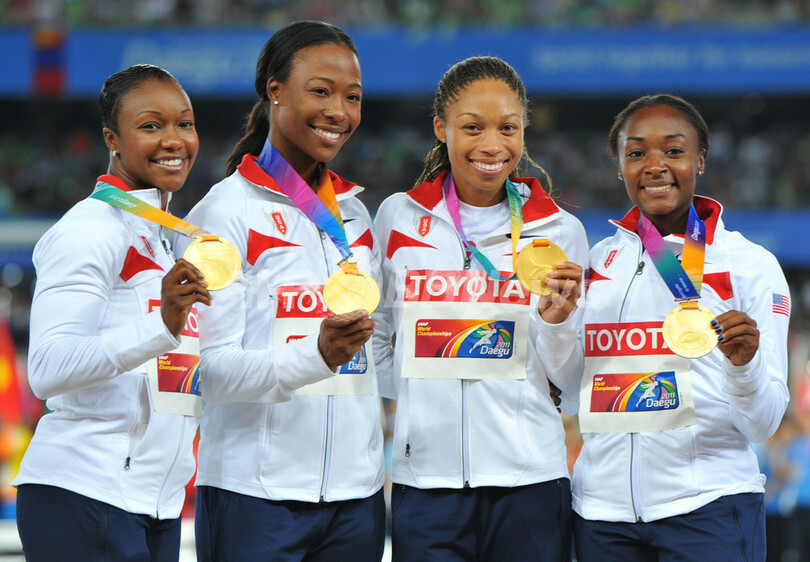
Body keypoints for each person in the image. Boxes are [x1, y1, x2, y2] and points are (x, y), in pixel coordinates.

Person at [179, 21, 385, 561]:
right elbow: (208, 372)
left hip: (357, 500)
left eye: (352, 97)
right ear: (275, 90)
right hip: (255, 498)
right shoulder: (224, 215)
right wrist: (315, 356)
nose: (339, 111)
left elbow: (379, 352)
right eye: (320, 91)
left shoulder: (356, 216)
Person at [373, 56, 588, 561]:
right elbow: (378, 335)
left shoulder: (560, 231)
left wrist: (555, 326)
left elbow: (572, 383)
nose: (493, 145)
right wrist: (416, 409)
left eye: (508, 128)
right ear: (441, 128)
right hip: (425, 484)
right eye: (473, 127)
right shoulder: (397, 217)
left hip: (530, 482)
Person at [573, 94, 790, 561]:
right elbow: (572, 391)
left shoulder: (749, 265)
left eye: (673, 151)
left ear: (701, 160)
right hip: (602, 517)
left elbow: (764, 423)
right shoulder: (597, 264)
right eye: (637, 152)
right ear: (620, 167)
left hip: (709, 507)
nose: (655, 165)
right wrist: (552, 327)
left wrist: (745, 367)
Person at [13, 64, 210, 560]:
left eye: (185, 124)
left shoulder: (162, 238)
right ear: (112, 139)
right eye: (151, 125)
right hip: (86, 492)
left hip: (155, 502)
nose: (174, 140)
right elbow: (48, 368)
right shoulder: (90, 230)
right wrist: (160, 325)